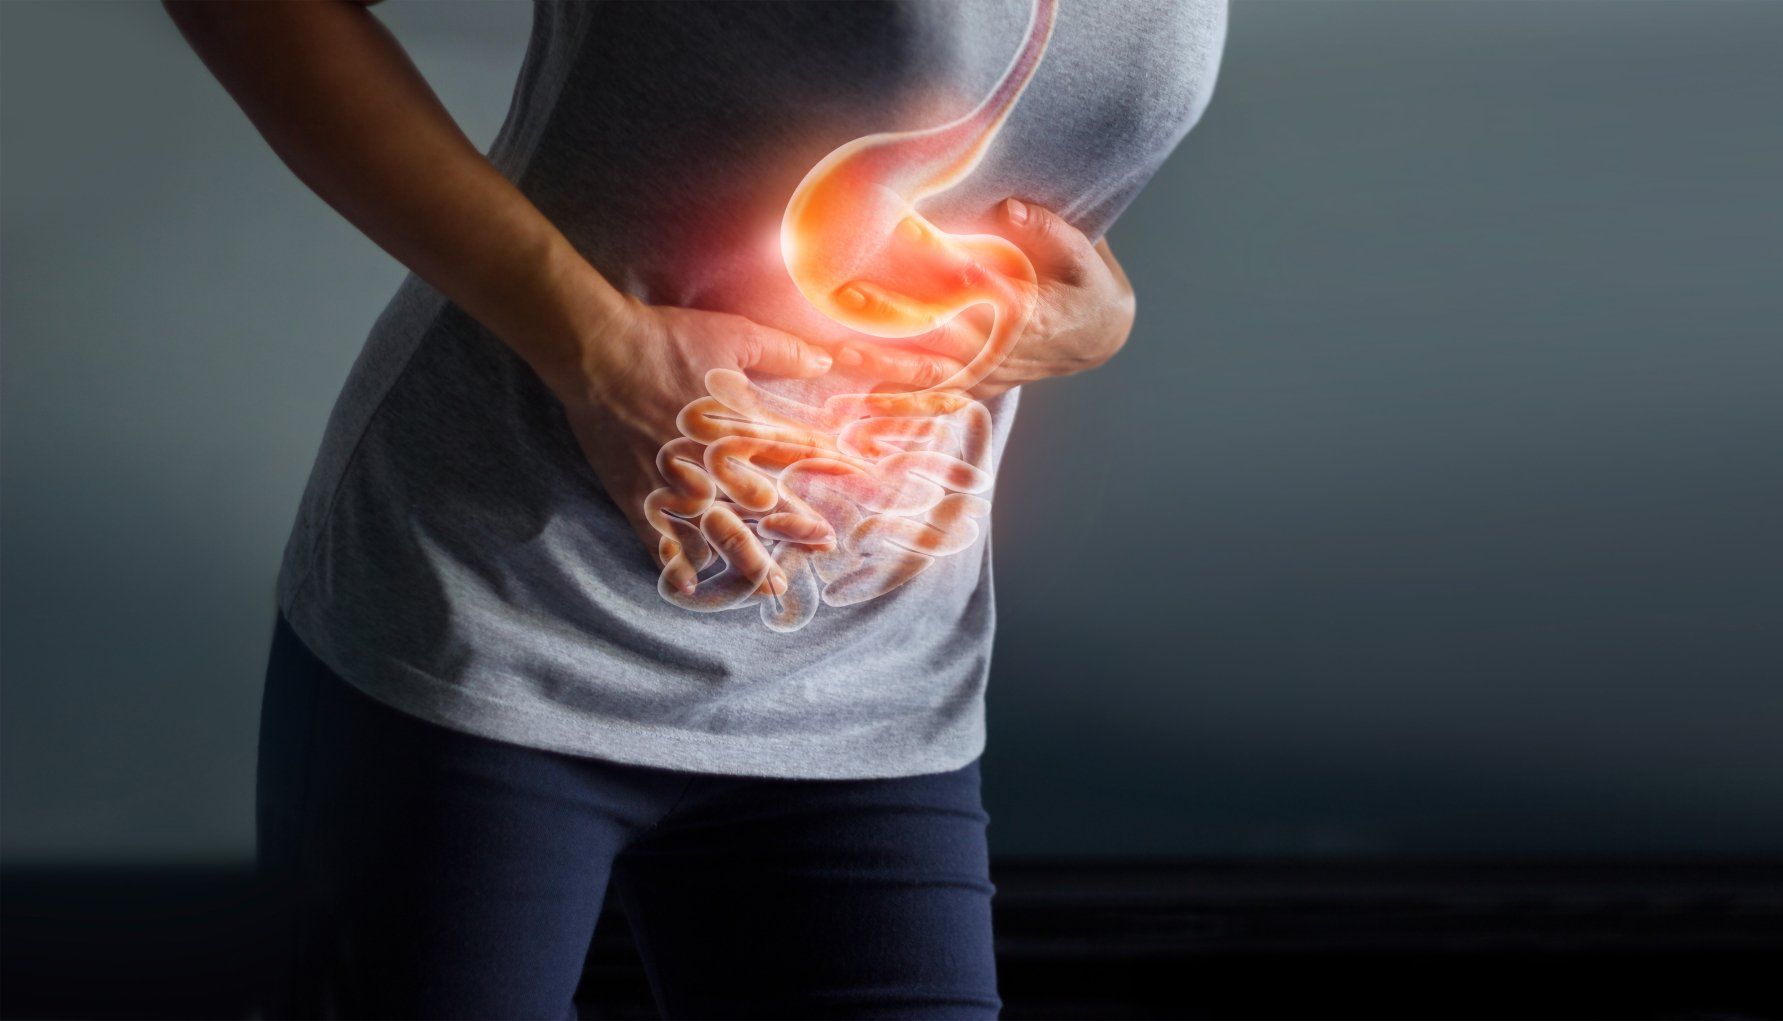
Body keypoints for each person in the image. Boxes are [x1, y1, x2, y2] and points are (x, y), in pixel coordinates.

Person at [168, 1, 1226, 1017]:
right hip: (503, 611)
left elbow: (1018, 156)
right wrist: (594, 346)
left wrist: (1095, 316)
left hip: (869, 675)